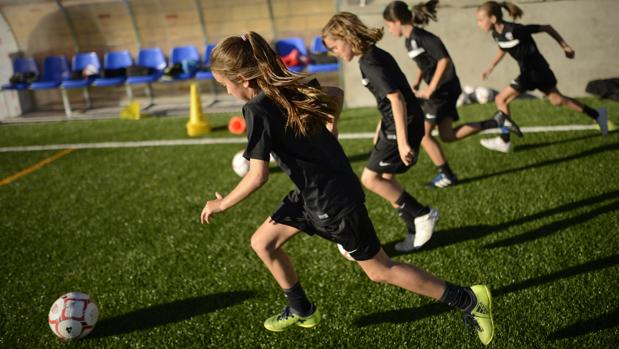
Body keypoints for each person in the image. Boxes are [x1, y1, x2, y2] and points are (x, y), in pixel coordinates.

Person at [200, 31, 494, 346]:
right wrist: (331, 126)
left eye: (224, 85)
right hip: (314, 192)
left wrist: (222, 204)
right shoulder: (291, 85)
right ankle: (302, 309)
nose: (227, 91)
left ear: (243, 78)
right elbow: (336, 93)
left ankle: (469, 300)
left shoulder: (256, 109)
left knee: (380, 270)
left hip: (332, 202)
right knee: (263, 243)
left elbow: (258, 176)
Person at [322, 11, 438, 253]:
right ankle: (414, 227)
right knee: (385, 179)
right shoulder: (373, 55)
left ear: (347, 36)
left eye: (335, 46)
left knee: (370, 179)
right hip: (394, 124)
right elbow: (388, 99)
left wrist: (403, 143)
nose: (335, 53)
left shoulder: (369, 61)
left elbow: (397, 99)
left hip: (402, 125)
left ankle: (422, 214)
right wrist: (380, 129)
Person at [383, 0, 519, 188]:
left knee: (424, 135)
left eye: (389, 25)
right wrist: (416, 82)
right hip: (442, 89)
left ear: (397, 21)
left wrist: (431, 88)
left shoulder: (423, 37)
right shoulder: (409, 41)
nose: (389, 30)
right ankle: (497, 121)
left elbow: (444, 60)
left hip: (443, 90)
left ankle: (447, 175)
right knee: (447, 135)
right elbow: (423, 63)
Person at [476, 1, 609, 153]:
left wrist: (564, 46)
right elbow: (504, 47)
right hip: (536, 72)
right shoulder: (496, 34)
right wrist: (491, 67)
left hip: (534, 72)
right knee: (557, 100)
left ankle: (504, 140)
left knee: (501, 99)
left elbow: (546, 27)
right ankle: (597, 114)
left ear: (493, 19)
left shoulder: (515, 30)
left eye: (480, 20)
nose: (478, 24)